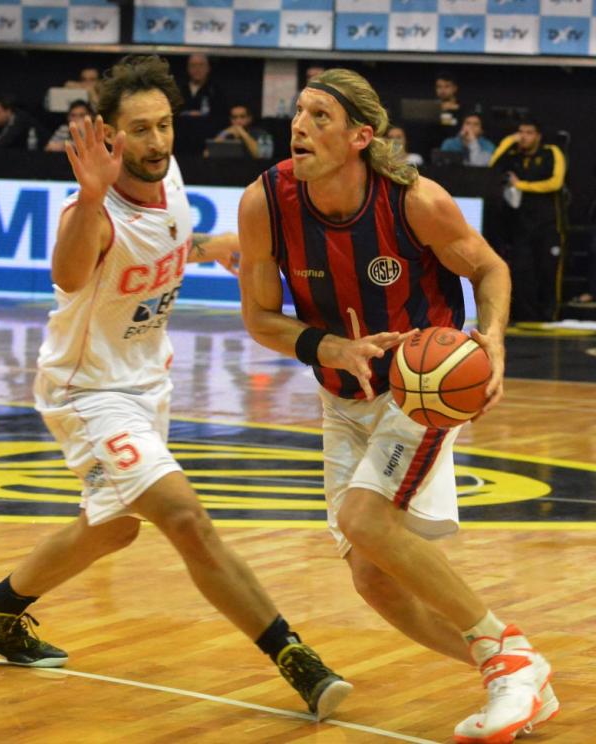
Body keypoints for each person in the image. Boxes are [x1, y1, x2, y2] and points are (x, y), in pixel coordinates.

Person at [0, 55, 352, 723]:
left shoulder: (168, 174)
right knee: (184, 518)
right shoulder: (95, 210)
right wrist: (86, 197)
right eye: (139, 130)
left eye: (164, 125)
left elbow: (168, 243)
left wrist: (215, 244)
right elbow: (70, 271)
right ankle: (295, 658)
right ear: (108, 134)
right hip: (88, 391)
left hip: (147, 382)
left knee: (112, 530)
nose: (157, 142)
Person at [238, 68, 558, 743]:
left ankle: (507, 653)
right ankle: (511, 667)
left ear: (361, 136)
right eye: (299, 113)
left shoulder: (415, 201)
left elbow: (490, 268)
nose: (300, 126)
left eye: (320, 116)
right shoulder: (265, 201)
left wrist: (492, 340)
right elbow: (261, 318)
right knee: (372, 580)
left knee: (362, 515)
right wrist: (332, 350)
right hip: (342, 392)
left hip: (419, 389)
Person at [490, 119, 567, 322]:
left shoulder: (551, 152)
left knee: (547, 271)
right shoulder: (513, 157)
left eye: (529, 132)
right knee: (522, 272)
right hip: (520, 226)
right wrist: (508, 141)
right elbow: (490, 169)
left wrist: (522, 185)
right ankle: (526, 318)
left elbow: (555, 182)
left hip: (548, 224)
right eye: (520, 132)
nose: (523, 136)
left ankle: (549, 317)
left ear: (538, 135)